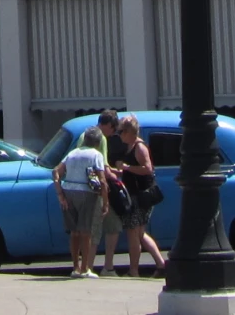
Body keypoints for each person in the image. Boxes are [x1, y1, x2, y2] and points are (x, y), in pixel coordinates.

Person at [105, 115, 165, 277]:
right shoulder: (130, 147)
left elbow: (147, 168)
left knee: (133, 233)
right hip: (134, 195)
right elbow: (130, 170)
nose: (120, 135)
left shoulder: (139, 148)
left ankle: (134, 271)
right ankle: (161, 264)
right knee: (139, 234)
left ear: (129, 132)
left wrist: (126, 167)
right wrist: (117, 171)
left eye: (122, 131)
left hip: (141, 196)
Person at [57, 126, 111, 278]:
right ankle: (85, 268)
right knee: (86, 231)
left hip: (68, 190)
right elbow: (102, 180)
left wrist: (60, 193)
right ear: (98, 142)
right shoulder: (96, 155)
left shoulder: (72, 153)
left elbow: (57, 171)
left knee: (74, 232)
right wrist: (105, 202)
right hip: (86, 193)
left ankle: (75, 267)